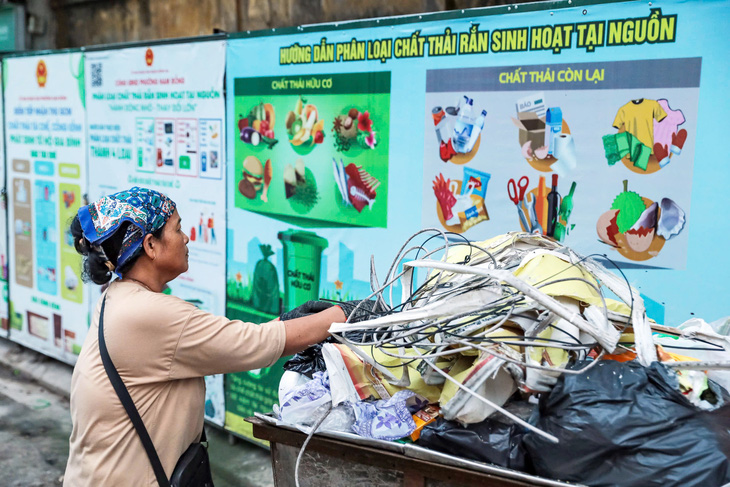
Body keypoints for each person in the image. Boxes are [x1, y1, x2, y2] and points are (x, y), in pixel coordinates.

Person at [63, 187, 347, 486]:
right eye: (177, 228)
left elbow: (236, 338)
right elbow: (256, 345)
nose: (186, 238)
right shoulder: (147, 313)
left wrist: (293, 319)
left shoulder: (120, 299)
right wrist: (345, 314)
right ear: (150, 245)